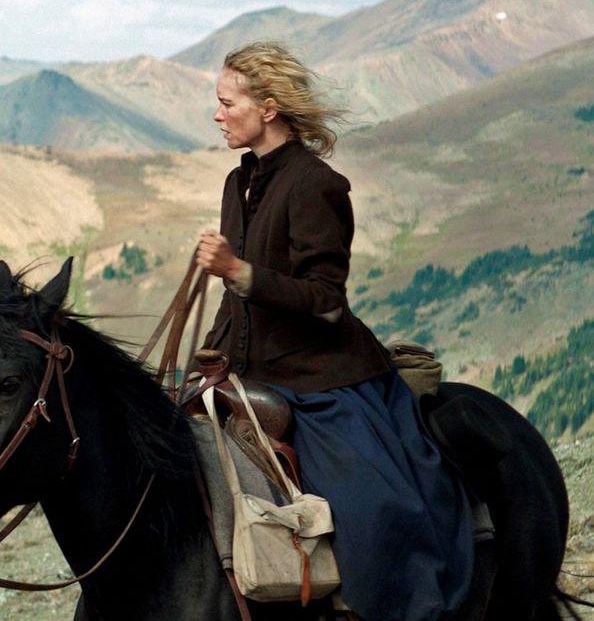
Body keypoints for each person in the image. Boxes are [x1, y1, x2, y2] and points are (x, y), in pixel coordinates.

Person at [195, 42, 474, 621]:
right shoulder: (237, 182)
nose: (217, 114)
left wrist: (240, 271)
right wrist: (212, 355)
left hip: (318, 375)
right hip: (245, 368)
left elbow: (325, 301)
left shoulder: (316, 184)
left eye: (227, 103)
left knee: (375, 509)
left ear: (268, 108)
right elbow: (239, 298)